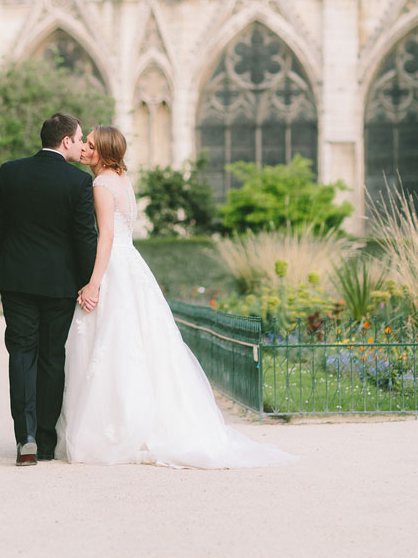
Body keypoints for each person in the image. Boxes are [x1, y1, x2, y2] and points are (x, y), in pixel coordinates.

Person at [56, 126, 295, 469]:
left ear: (104, 151)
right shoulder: (123, 182)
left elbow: (106, 235)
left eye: (91, 146)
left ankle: (119, 429)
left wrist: (93, 282)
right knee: (138, 344)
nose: (85, 150)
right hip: (132, 266)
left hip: (112, 267)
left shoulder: (100, 185)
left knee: (112, 342)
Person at [0, 112, 97, 466]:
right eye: (79, 138)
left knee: (21, 355)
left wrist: (3, 272)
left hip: (16, 281)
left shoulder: (10, 171)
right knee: (52, 358)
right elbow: (84, 237)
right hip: (59, 284)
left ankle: (26, 438)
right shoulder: (77, 182)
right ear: (66, 141)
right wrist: (87, 280)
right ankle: (47, 443)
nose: (81, 145)